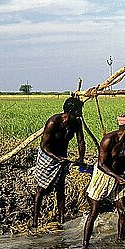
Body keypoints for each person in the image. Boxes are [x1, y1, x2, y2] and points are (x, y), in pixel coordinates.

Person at [83, 112, 125, 249]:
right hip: (103, 177)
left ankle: (120, 242)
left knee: (123, 211)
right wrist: (117, 177)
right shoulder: (108, 140)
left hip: (118, 178)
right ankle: (85, 245)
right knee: (94, 211)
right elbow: (101, 164)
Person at [32, 96, 85, 230]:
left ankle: (61, 220)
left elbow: (80, 141)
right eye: (79, 110)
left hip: (62, 157)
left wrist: (81, 158)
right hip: (48, 156)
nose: (81, 113)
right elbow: (43, 145)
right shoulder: (53, 122)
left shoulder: (76, 123)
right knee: (41, 189)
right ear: (71, 111)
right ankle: (35, 222)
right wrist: (55, 157)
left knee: (60, 188)